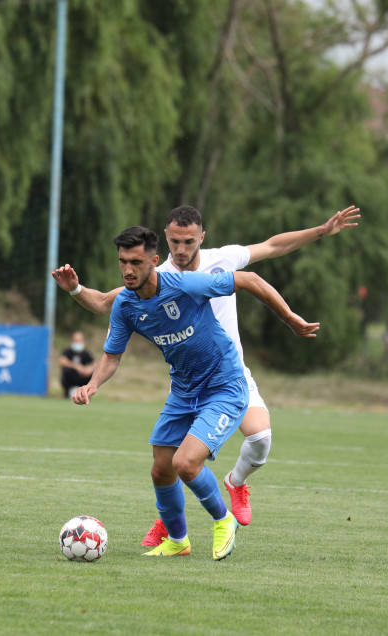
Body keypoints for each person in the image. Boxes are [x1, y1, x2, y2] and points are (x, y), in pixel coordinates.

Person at [52, 204, 359, 545]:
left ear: (201, 237)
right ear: (165, 241)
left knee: (257, 440)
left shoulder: (214, 265)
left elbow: (272, 248)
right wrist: (76, 291)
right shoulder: (149, 278)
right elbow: (105, 305)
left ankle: (235, 486)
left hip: (228, 374)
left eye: (187, 242)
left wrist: (321, 232)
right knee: (166, 465)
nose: (181, 250)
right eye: (174, 242)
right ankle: (173, 529)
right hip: (185, 382)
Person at [59, 331, 94, 399]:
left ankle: (85, 393)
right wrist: (77, 367)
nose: (77, 343)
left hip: (83, 380)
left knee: (92, 373)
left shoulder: (86, 354)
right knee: (66, 370)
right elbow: (62, 361)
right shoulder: (67, 352)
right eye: (76, 341)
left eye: (79, 341)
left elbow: (94, 364)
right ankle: (68, 393)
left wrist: (88, 370)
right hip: (70, 380)